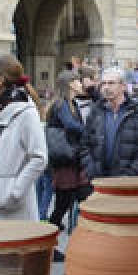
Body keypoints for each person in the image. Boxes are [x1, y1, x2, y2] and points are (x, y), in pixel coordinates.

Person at [0, 55, 47, 222]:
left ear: (0, 79)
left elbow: (39, 158)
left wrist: (14, 191)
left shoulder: (25, 112)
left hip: (13, 205)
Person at [80, 66, 138, 179]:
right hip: (100, 182)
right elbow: (84, 144)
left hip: (130, 183)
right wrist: (91, 170)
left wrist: (132, 173)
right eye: (103, 83)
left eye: (111, 83)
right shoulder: (95, 112)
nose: (106, 87)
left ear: (123, 86)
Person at [46, 71, 91, 246]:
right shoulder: (61, 104)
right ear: (70, 84)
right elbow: (71, 126)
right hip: (67, 163)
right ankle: (49, 244)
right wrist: (89, 130)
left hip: (72, 162)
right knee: (61, 207)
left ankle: (82, 241)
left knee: (82, 201)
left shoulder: (70, 104)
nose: (80, 84)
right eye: (78, 81)